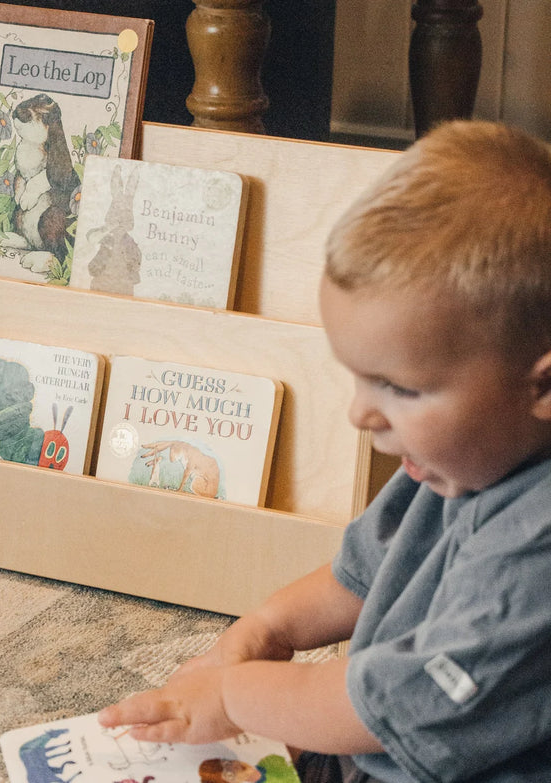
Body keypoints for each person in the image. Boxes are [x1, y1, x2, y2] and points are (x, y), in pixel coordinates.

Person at [98, 120, 551, 782]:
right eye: (360, 377)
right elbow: (357, 577)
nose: (360, 413)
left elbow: (384, 705)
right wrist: (264, 629)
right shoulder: (457, 458)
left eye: (399, 387)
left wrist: (234, 694)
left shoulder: (534, 550)